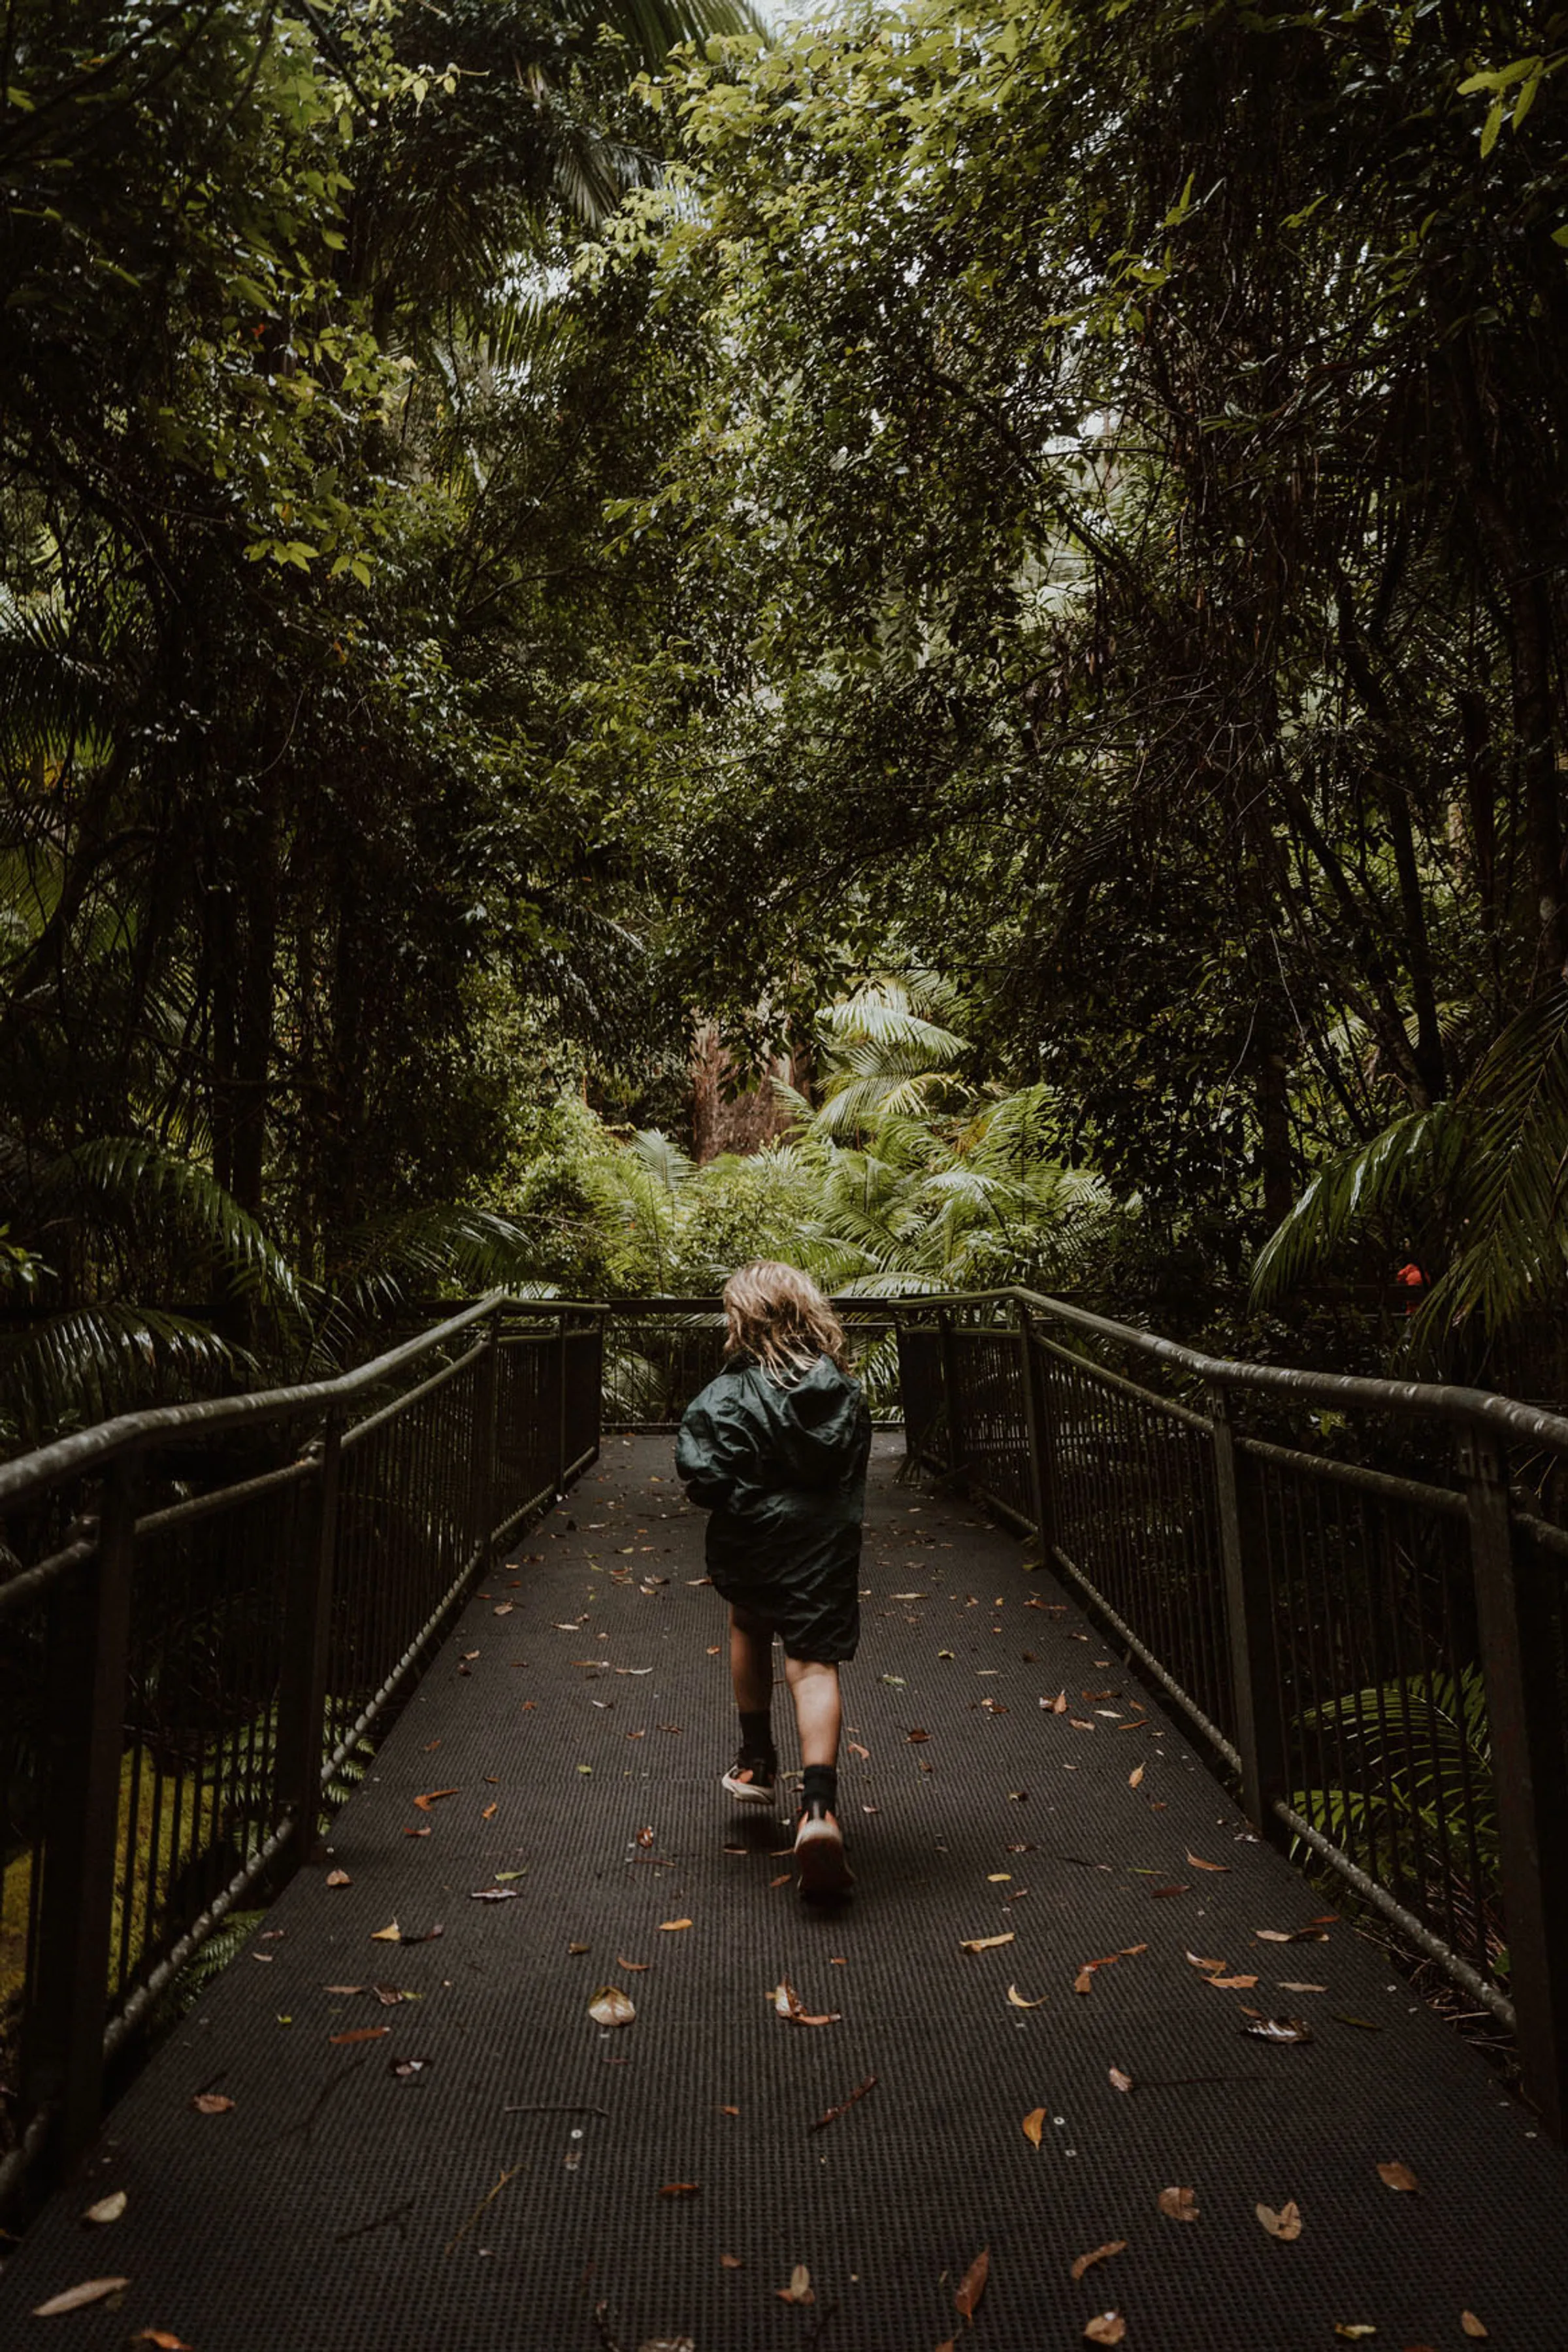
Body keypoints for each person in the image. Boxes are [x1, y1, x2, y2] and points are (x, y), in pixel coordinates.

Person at [675, 1261, 871, 1897]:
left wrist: (746, 1497)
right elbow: (848, 1472)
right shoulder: (839, 1391)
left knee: (749, 1622)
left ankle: (757, 1760)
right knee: (813, 1664)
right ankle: (818, 1808)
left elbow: (701, 1474)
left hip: (752, 1538)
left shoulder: (725, 1394)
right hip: (821, 1544)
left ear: (741, 1320)